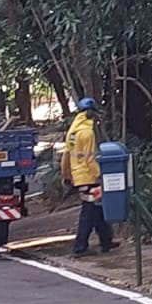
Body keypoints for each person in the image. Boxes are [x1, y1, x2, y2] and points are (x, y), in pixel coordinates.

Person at [62, 98, 117, 258]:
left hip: (78, 176)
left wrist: (66, 174)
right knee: (89, 211)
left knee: (97, 208)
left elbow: (66, 155)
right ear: (89, 114)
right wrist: (100, 175)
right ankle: (80, 246)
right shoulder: (87, 133)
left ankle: (106, 241)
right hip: (88, 176)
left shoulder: (72, 132)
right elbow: (90, 159)